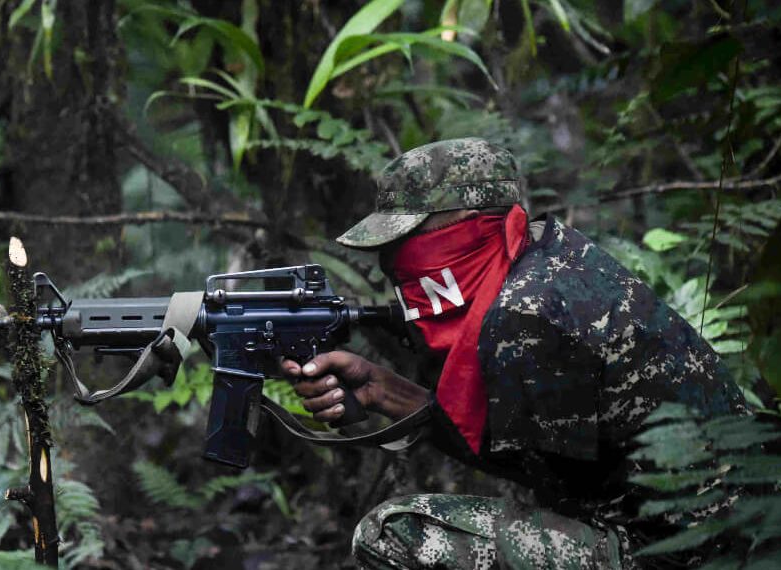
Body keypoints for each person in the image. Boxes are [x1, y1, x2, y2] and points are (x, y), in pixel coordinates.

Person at [282, 138, 746, 569]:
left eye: (409, 237)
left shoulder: (525, 317)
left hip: (686, 553)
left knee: (393, 533)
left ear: (469, 222)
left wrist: (406, 406)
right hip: (727, 526)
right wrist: (388, 393)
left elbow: (553, 490)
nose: (393, 259)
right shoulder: (549, 253)